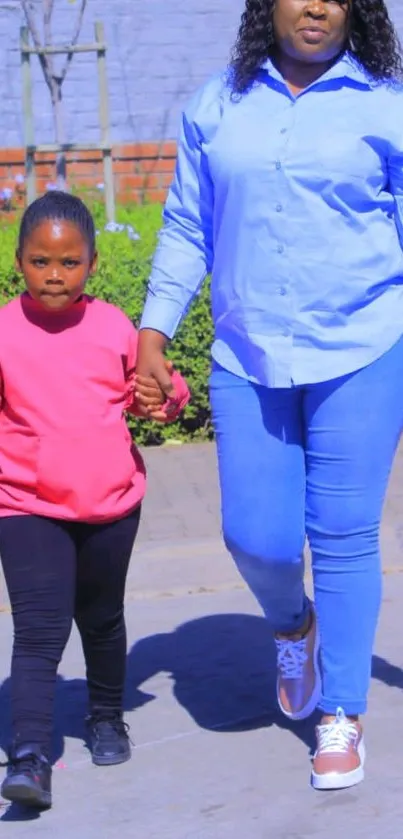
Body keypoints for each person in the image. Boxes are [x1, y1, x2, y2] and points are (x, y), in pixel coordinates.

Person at [135, 0, 403, 791]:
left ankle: (341, 711)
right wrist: (154, 329)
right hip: (246, 352)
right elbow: (188, 223)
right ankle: (294, 623)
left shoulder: (386, 103)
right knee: (256, 537)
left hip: (361, 346)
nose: (315, 5)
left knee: (346, 533)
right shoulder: (216, 104)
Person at [0, 191, 189, 809]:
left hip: (110, 506)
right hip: (25, 505)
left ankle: (106, 716)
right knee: (38, 629)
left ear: (93, 263)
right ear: (19, 261)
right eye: (39, 262)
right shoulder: (3, 329)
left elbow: (153, 389)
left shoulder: (113, 326)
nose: (54, 275)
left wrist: (163, 395)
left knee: (101, 618)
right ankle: (29, 757)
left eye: (70, 262)